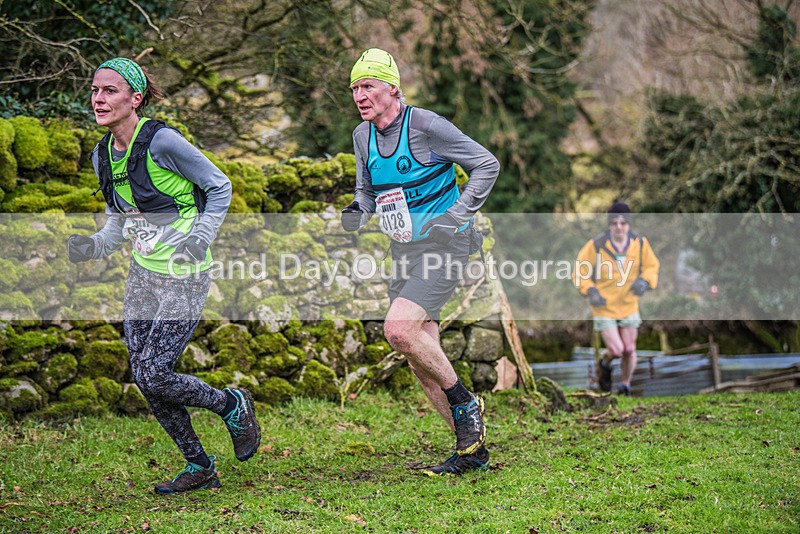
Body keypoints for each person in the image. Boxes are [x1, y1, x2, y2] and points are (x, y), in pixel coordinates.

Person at [67, 57, 260, 494]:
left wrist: (202, 236)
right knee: (145, 373)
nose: (99, 98)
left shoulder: (162, 142)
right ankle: (200, 466)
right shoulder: (102, 154)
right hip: (143, 275)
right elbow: (118, 225)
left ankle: (230, 403)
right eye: (95, 90)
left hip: (184, 274)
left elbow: (219, 185)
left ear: (135, 98)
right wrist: (91, 246)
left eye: (110, 90)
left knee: (154, 372)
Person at [342, 48, 500, 475]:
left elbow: (486, 164)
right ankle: (472, 452)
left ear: (392, 87)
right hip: (404, 250)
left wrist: (457, 215)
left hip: (446, 245)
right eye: (355, 87)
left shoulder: (427, 126)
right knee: (419, 354)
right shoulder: (362, 137)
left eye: (368, 85)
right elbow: (367, 190)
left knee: (398, 330)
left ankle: (466, 402)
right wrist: (359, 210)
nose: (360, 95)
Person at [574, 201, 660, 396]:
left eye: (623, 223)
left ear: (629, 225)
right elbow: (580, 271)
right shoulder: (596, 246)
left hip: (629, 304)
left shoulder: (640, 244)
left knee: (629, 349)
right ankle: (605, 364)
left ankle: (624, 385)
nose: (619, 227)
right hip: (604, 306)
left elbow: (652, 266)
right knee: (617, 349)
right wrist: (590, 291)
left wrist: (645, 281)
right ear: (609, 225)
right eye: (614, 223)